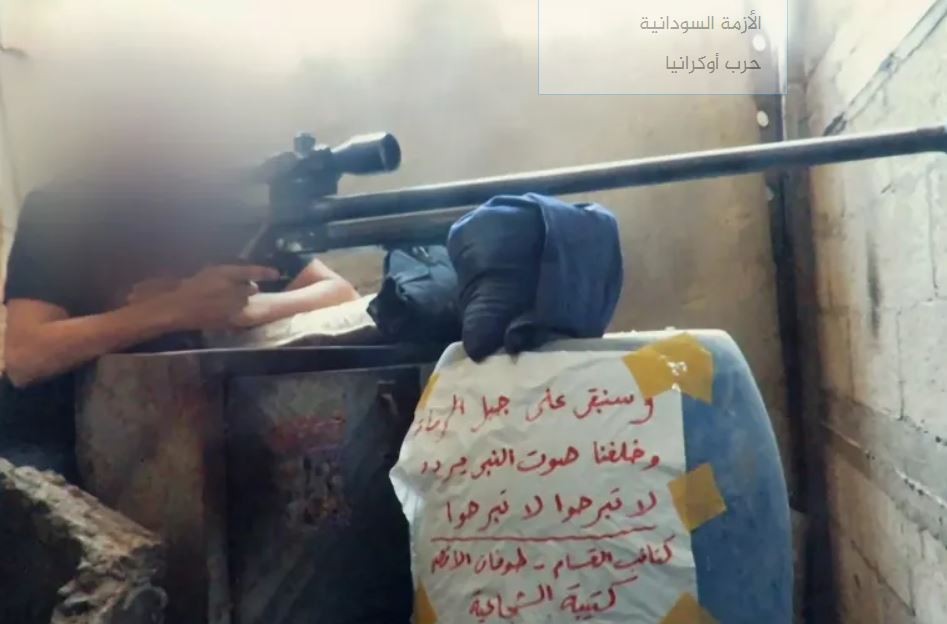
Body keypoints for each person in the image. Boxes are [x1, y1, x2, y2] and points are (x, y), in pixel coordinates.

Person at [1, 178, 360, 482]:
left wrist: (246, 308)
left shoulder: (218, 208)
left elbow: (340, 291)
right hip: (53, 432)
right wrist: (174, 310)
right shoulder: (60, 208)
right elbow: (26, 356)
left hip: (193, 428)